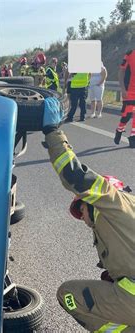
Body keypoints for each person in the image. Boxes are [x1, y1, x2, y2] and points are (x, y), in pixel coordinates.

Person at [42, 97, 135, 332]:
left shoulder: (110, 199)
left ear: (91, 202)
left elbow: (74, 174)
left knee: (69, 294)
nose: (82, 218)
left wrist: (53, 133)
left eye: (81, 209)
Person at [114, 49, 135, 148]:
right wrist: (122, 89)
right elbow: (121, 72)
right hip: (129, 90)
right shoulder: (130, 54)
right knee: (127, 115)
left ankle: (133, 136)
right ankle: (119, 129)